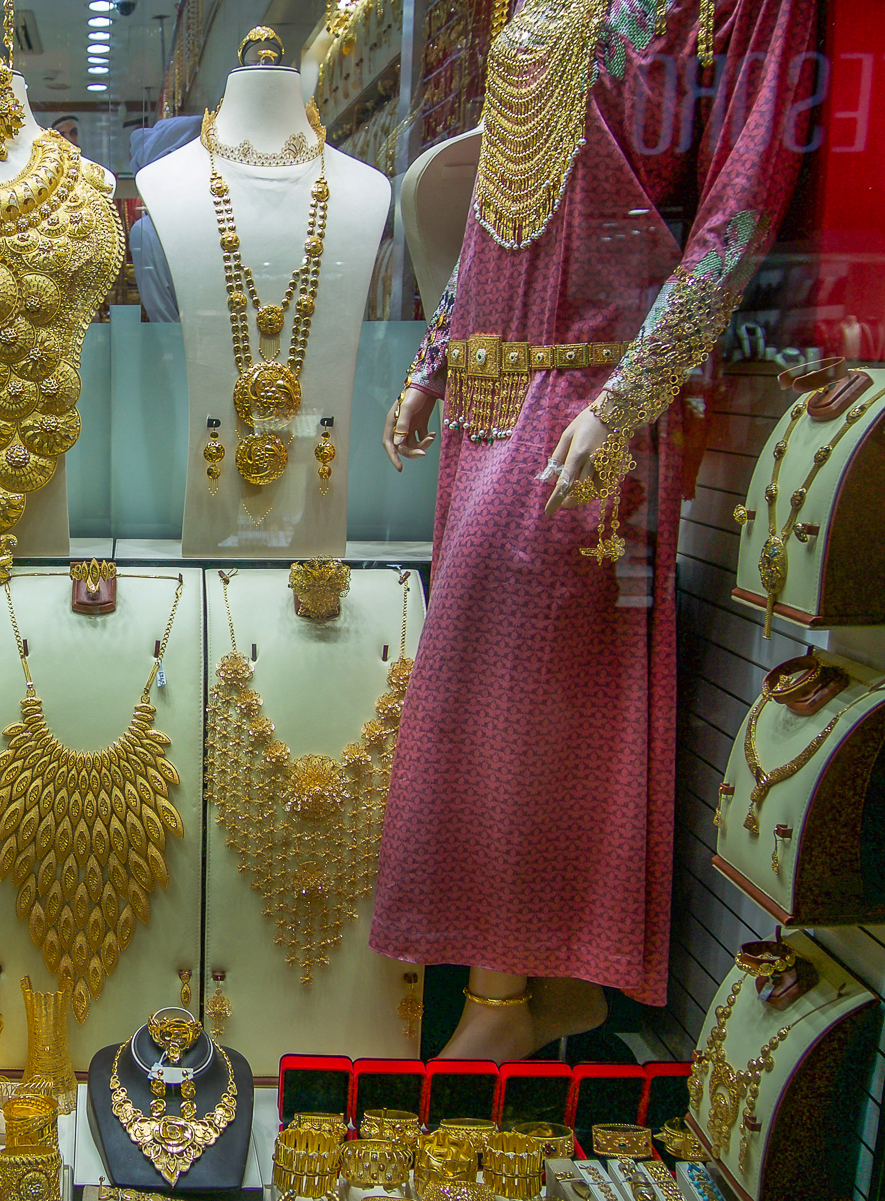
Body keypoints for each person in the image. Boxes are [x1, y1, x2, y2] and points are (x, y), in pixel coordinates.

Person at [371, 0, 816, 1062]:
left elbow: (739, 204)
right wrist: (436, 360)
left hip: (586, 397)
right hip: (490, 402)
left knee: (520, 698)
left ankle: (501, 994)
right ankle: (553, 983)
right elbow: (503, 201)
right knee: (509, 699)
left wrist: (628, 399)